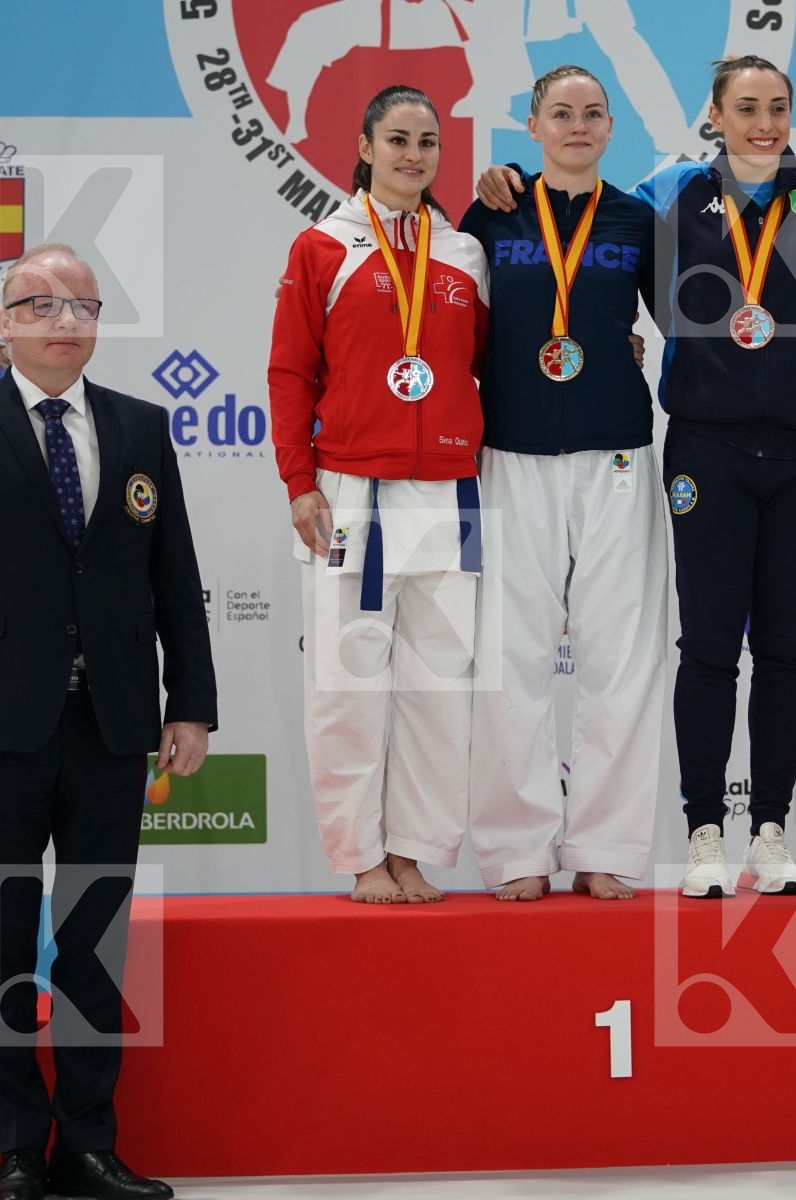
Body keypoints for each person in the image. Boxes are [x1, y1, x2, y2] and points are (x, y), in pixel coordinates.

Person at [476, 55, 796, 897]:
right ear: (713, 115)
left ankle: (748, 832)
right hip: (690, 447)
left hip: (790, 450)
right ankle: (687, 834)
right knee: (693, 650)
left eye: (778, 107)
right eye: (746, 107)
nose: (764, 122)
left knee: (771, 651)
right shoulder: (662, 193)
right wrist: (495, 176)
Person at [0, 244, 216, 1200]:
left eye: (81, 304)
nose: (64, 320)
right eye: (41, 304)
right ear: (5, 320)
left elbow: (177, 585)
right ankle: (17, 1151)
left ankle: (87, 1144)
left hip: (113, 727)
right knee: (1, 938)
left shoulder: (141, 427)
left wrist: (189, 702)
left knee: (92, 941)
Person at [270, 85, 490, 904]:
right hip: (349, 491)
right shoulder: (322, 247)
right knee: (347, 684)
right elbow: (291, 373)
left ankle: (416, 849)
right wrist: (299, 481)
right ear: (364, 145)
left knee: (441, 688)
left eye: (428, 141)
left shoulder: (465, 254)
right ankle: (362, 852)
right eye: (398, 138)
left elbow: (488, 366)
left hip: (450, 492)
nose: (414, 154)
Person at [456, 65, 664, 902]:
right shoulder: (491, 211)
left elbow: (688, 320)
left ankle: (607, 844)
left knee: (623, 656)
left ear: (611, 128)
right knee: (511, 655)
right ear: (533, 125)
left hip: (616, 454)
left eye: (593, 114)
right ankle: (516, 850)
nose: (577, 126)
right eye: (560, 113)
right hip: (511, 451)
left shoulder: (638, 219)